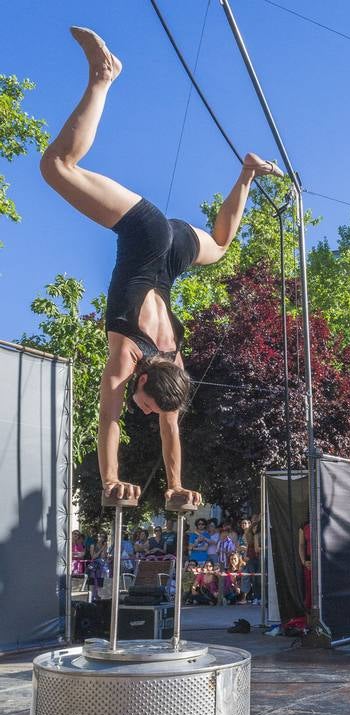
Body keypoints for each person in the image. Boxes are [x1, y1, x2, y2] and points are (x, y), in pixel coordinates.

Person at [40, 26, 283, 505]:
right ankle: (103, 76)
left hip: (175, 250)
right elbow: (108, 417)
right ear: (144, 379)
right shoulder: (127, 357)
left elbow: (172, 428)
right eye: (149, 404)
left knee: (221, 244)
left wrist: (176, 486)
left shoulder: (172, 368)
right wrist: (110, 481)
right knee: (57, 168)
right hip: (149, 236)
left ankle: (248, 173)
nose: (149, 413)